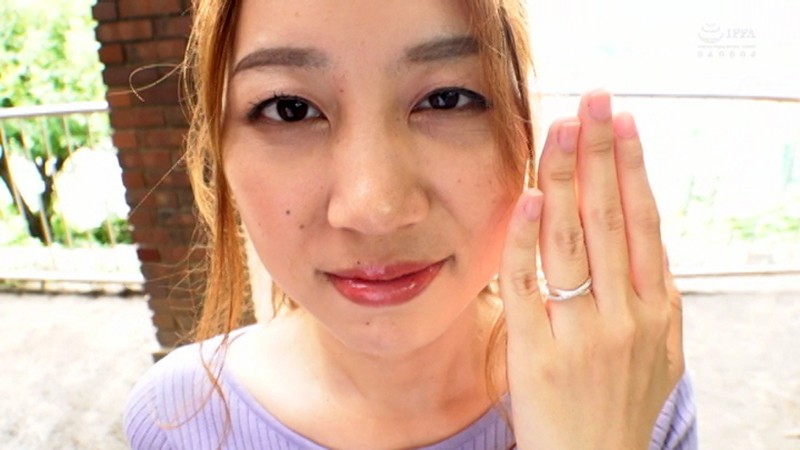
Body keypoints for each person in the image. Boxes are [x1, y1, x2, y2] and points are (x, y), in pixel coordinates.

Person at [124, 0, 697, 448]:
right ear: (219, 152)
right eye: (289, 109)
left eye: (447, 99)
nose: (376, 208)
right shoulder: (175, 419)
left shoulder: (624, 385)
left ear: (523, 125)